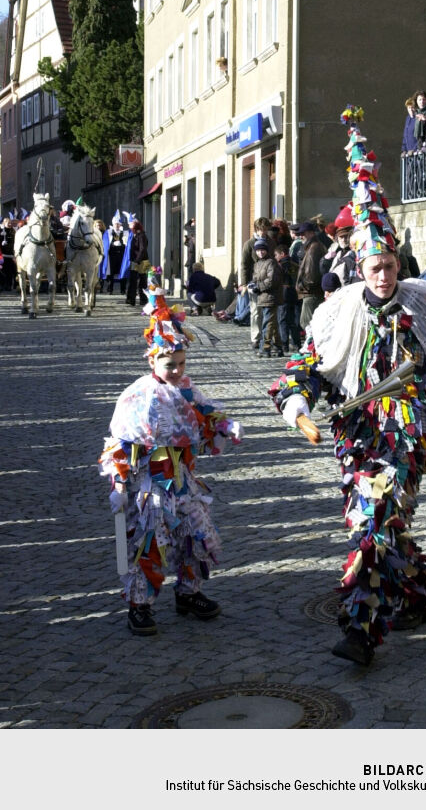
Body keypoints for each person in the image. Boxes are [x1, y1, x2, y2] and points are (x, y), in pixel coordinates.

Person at [269, 106, 426, 666]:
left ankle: (360, 630)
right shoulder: (338, 313)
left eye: (390, 264)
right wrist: (298, 406)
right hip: (358, 433)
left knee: (374, 522)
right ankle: (419, 590)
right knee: (381, 521)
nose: (383, 274)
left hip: (407, 439)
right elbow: (304, 367)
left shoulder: (423, 306)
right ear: (360, 266)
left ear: (398, 264)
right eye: (375, 265)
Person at [98, 271, 244, 635]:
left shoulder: (187, 388)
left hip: (183, 478)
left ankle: (188, 592)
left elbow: (206, 411)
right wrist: (118, 483)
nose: (177, 371)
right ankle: (139, 603)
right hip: (151, 481)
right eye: (169, 365)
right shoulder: (138, 395)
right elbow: (119, 442)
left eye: (181, 364)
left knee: (197, 535)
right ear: (152, 363)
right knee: (150, 542)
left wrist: (226, 425)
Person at [239, 217, 276, 351]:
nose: (263, 232)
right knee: (255, 312)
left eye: (265, 230)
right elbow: (244, 264)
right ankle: (256, 338)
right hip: (253, 282)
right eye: (261, 230)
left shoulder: (271, 243)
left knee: (268, 311)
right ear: (256, 229)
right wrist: (244, 283)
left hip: (268, 282)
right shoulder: (249, 244)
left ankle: (267, 337)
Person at [250, 238, 284, 357]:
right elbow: (256, 278)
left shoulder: (271, 262)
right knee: (272, 323)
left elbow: (271, 280)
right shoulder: (257, 264)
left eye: (262, 250)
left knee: (267, 323)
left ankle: (265, 347)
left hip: (271, 297)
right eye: (258, 250)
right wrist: (252, 284)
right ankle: (279, 347)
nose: (260, 252)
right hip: (262, 297)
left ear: (266, 250)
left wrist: (258, 287)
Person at [295, 221, 326, 328]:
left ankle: (313, 344)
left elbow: (312, 274)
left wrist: (302, 285)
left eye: (303, 234)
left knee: (307, 324)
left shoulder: (314, 247)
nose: (301, 236)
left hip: (311, 292)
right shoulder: (312, 246)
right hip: (311, 291)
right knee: (308, 323)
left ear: (311, 233)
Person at [275, 243, 301, 353]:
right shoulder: (296, 265)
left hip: (284, 295)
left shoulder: (279, 266)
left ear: (282, 254)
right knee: (293, 321)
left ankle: (284, 343)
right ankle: (297, 343)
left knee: (282, 320)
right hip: (295, 294)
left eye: (276, 255)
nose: (275, 257)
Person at [100, 211, 130, 295]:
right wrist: (112, 245)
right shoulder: (108, 233)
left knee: (122, 272)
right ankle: (110, 289)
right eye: (116, 224)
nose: (117, 225)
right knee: (111, 273)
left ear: (121, 225)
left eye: (118, 224)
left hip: (121, 255)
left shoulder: (125, 233)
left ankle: (123, 290)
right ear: (113, 224)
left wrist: (123, 244)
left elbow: (128, 244)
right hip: (111, 256)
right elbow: (105, 244)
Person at [126, 219, 150, 307]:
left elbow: (142, 249)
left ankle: (143, 299)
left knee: (142, 281)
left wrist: (137, 260)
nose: (131, 230)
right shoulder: (135, 235)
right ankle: (131, 299)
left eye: (132, 228)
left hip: (141, 261)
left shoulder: (141, 236)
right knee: (133, 281)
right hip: (135, 260)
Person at [0, 217, 16, 291]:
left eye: (10, 223)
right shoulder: (1, 231)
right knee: (3, 271)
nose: (9, 224)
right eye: (8, 223)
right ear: (4, 223)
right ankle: (2, 285)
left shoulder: (13, 231)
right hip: (3, 255)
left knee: (10, 272)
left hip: (11, 254)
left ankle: (9, 286)